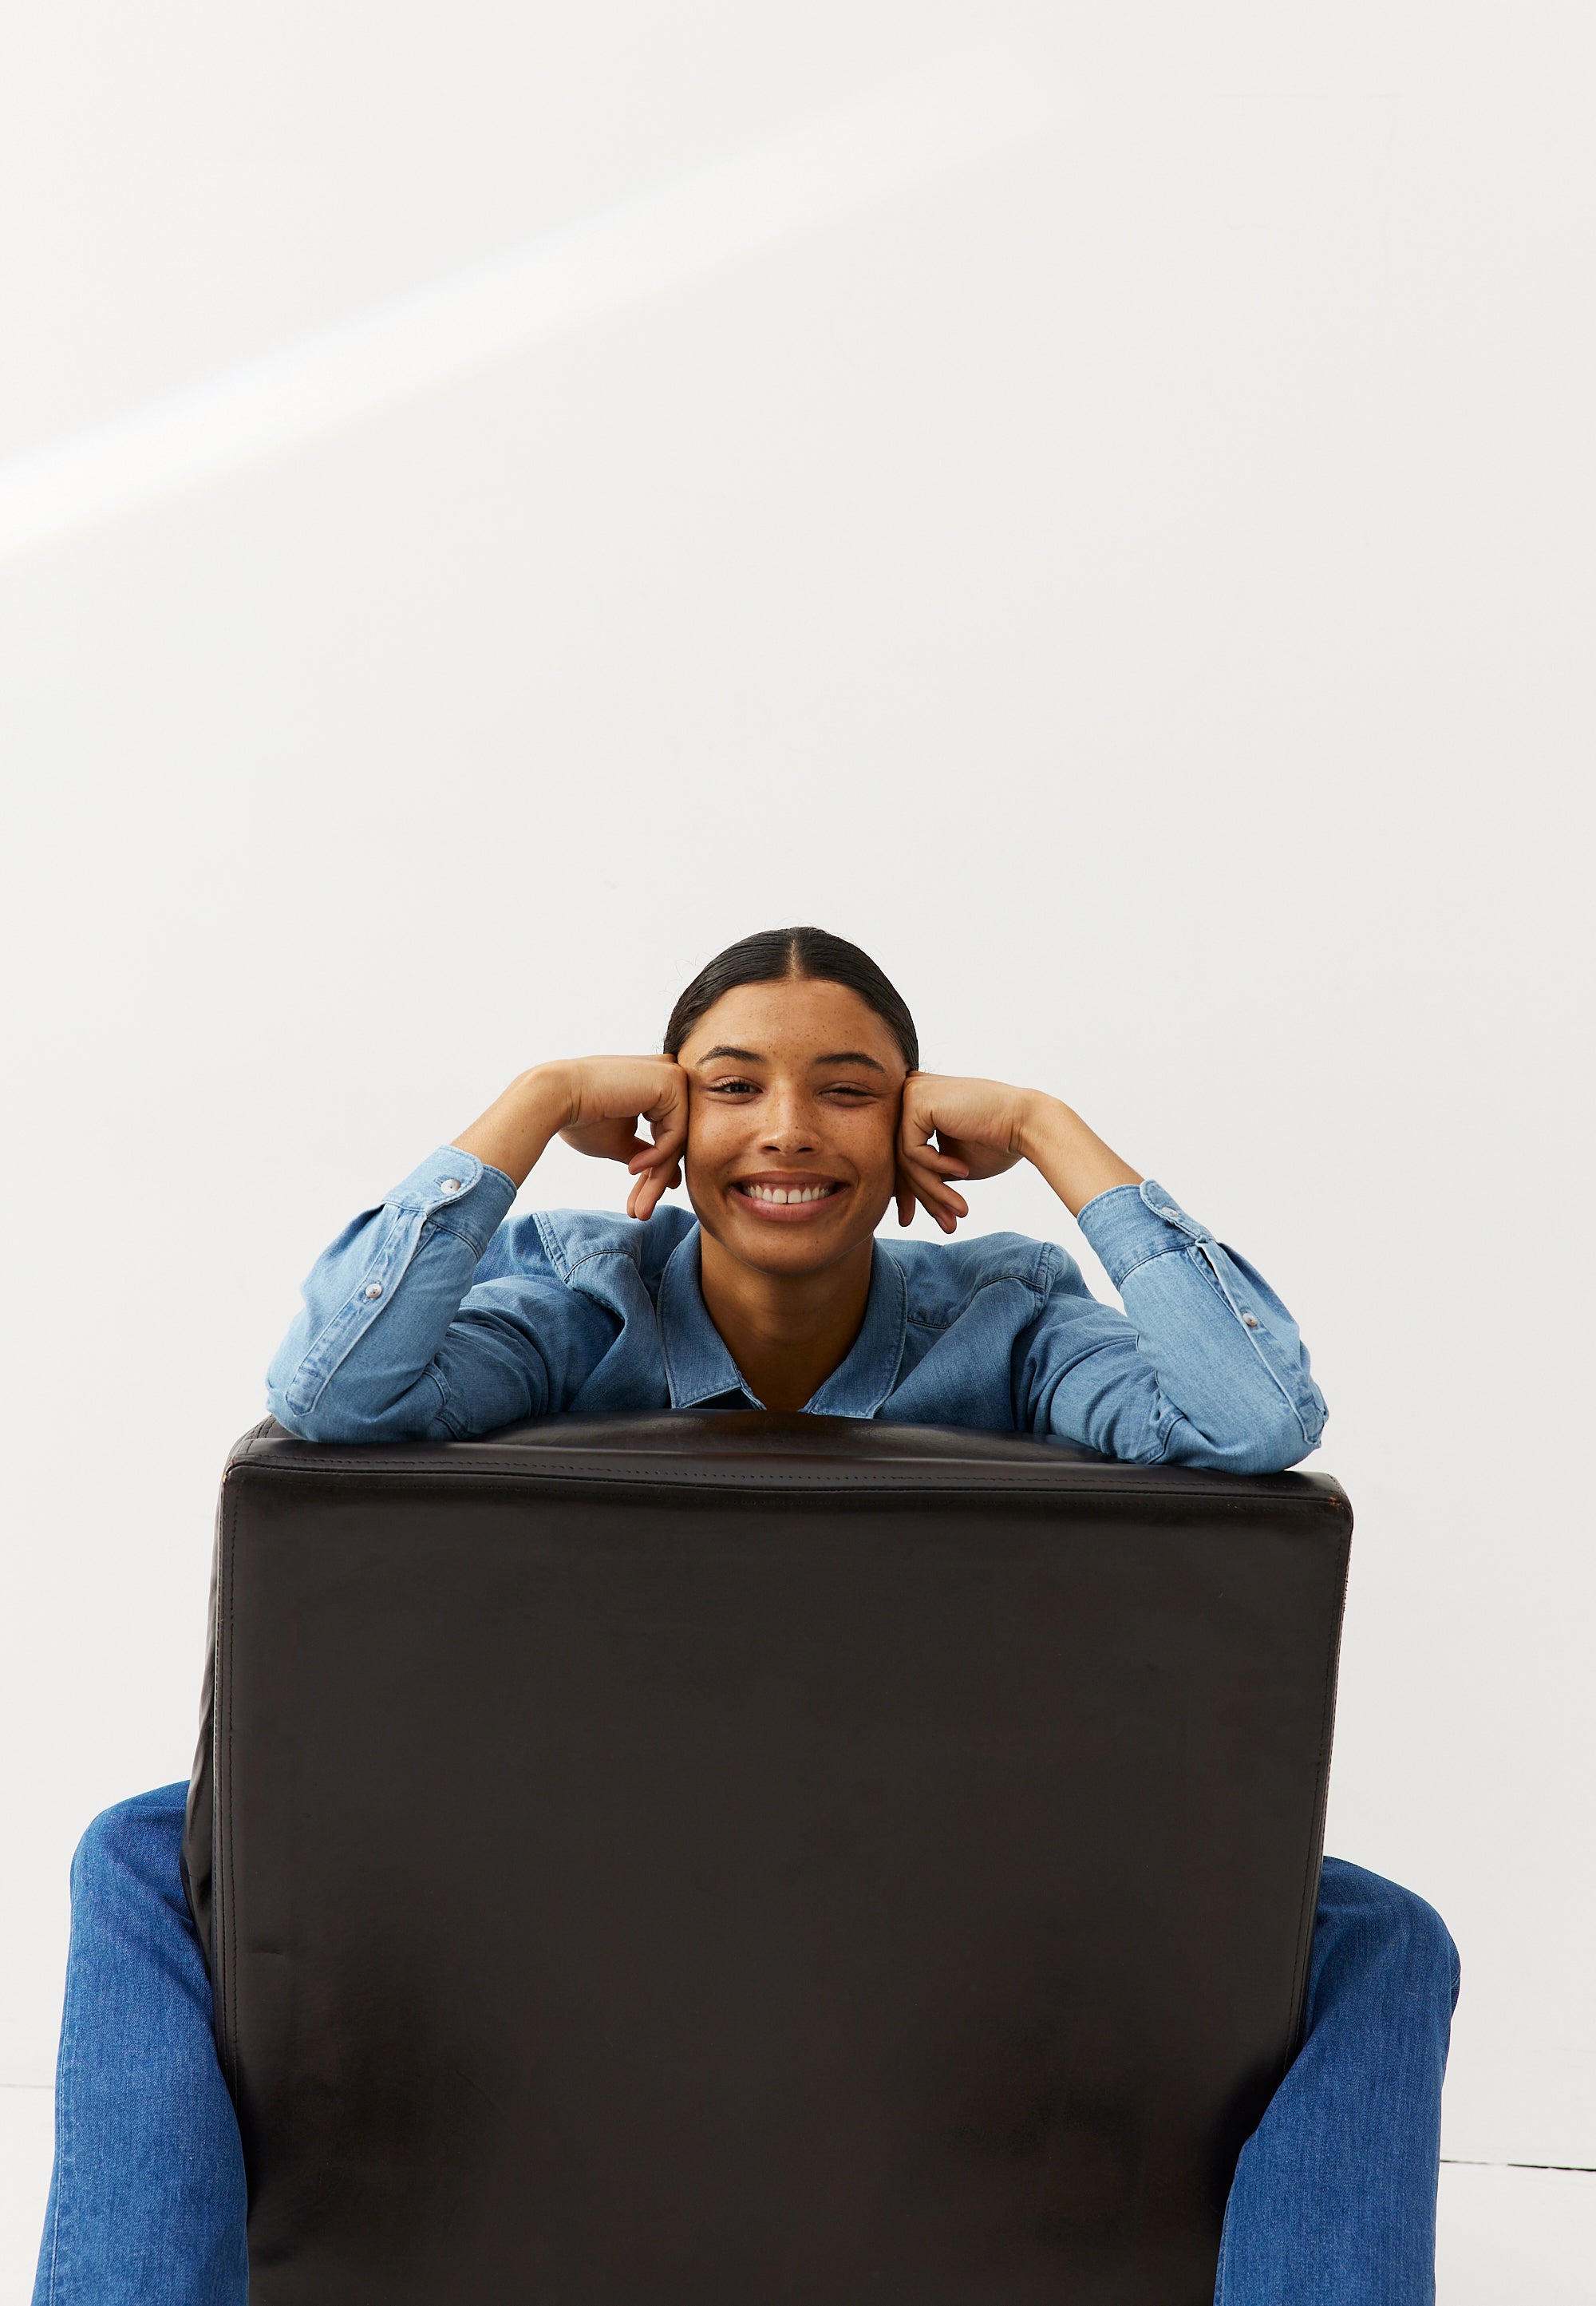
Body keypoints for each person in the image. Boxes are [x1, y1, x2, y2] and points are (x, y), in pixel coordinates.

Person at [34, 926, 1458, 2305]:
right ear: (665, 1129)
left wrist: (1046, 1125)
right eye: (731, 1087)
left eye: (849, 1089)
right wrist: (530, 1105)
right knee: (142, 1858)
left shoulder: (1004, 1318)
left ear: (915, 1129)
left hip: (952, 1871)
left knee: (1381, 1938)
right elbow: (334, 1392)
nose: (790, 1128)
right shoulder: (584, 1298)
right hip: (563, 1862)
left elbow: (1255, 1416)